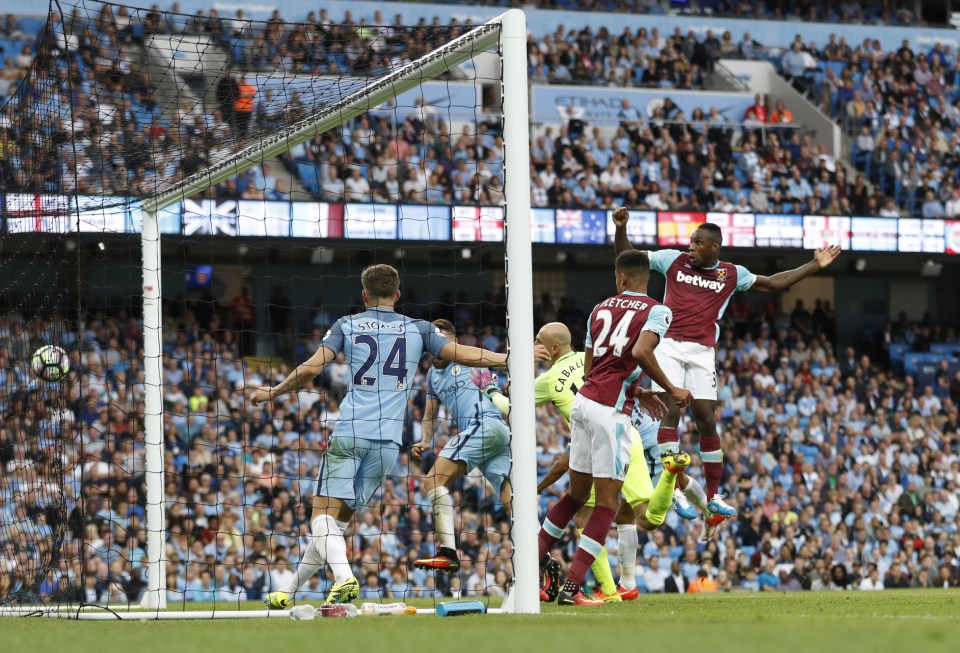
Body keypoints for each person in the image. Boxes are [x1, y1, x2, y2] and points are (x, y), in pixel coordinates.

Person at [255, 264, 506, 608]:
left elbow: (312, 369)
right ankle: (290, 591)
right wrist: (510, 358)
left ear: (364, 295)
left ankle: (344, 579)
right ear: (397, 294)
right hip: (388, 443)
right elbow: (464, 353)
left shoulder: (347, 324)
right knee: (336, 526)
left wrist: (274, 392)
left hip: (351, 431)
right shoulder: (419, 329)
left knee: (320, 518)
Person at [613, 208, 841, 540]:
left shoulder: (731, 274)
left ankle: (714, 494)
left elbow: (773, 284)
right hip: (669, 344)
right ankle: (673, 487)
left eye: (697, 242)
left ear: (714, 247)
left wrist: (814, 266)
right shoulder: (672, 261)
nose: (690, 246)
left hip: (703, 352)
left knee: (706, 417)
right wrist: (621, 229)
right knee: (671, 413)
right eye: (691, 240)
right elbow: (628, 260)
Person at [479, 321, 696, 602]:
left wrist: (490, 390)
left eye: (538, 342)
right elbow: (623, 379)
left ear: (553, 348)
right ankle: (607, 590)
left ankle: (596, 588)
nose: (534, 346)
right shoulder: (591, 357)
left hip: (598, 440)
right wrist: (640, 393)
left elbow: (511, 407)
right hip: (625, 434)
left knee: (587, 509)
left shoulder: (547, 380)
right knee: (641, 517)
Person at [534, 250, 693, 606]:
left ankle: (529, 570)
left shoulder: (600, 308)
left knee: (576, 497)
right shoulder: (658, 311)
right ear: (645, 277)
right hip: (611, 414)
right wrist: (672, 389)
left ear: (621, 278)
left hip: (584, 405)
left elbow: (594, 370)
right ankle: (573, 588)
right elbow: (639, 352)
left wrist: (637, 390)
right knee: (608, 504)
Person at [409, 319, 512, 574]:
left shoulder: (465, 358)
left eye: (441, 342)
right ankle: (543, 560)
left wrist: (516, 357)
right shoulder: (432, 376)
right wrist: (425, 439)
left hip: (485, 424)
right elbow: (431, 414)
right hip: (491, 436)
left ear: (453, 344)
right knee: (510, 500)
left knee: (432, 481)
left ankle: (448, 552)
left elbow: (488, 358)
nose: (435, 349)